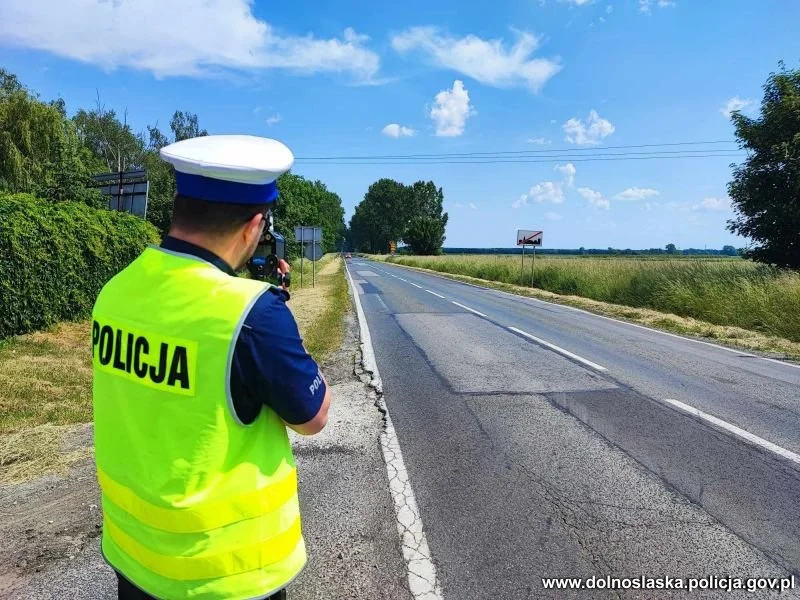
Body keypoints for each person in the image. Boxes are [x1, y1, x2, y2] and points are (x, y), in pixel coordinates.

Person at [91, 134, 331, 600]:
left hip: (135, 560)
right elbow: (313, 417)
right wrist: (274, 313)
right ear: (254, 226)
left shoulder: (115, 293)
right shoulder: (255, 315)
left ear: (180, 208)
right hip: (227, 578)